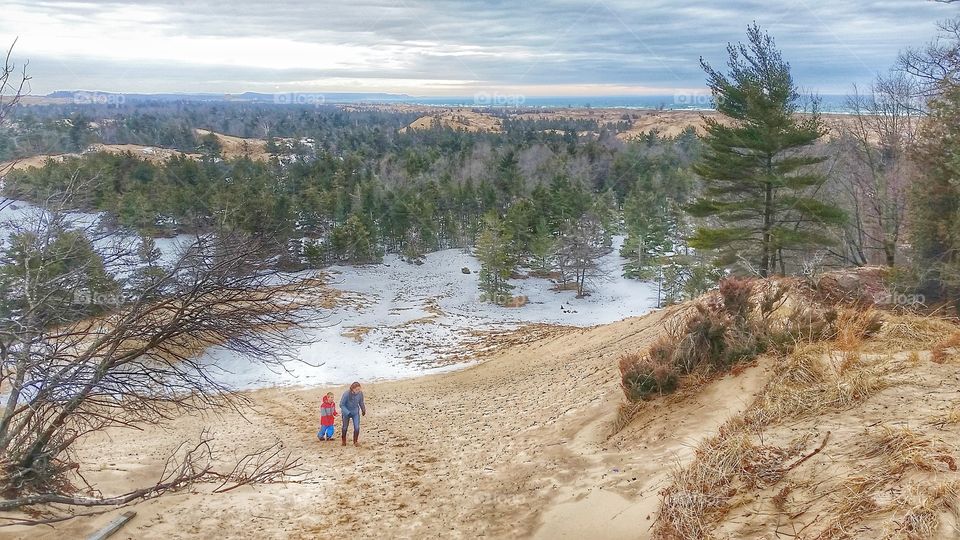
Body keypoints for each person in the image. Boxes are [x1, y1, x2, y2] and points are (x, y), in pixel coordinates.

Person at [339, 381, 366, 446]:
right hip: (346, 413)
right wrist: (347, 412)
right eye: (357, 389)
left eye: (359, 389)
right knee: (345, 427)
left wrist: (363, 409)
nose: (358, 391)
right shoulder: (346, 394)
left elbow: (361, 402)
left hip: (355, 412)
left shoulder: (360, 393)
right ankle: (343, 440)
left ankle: (355, 441)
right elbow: (341, 405)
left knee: (357, 427)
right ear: (353, 389)